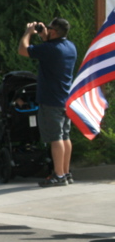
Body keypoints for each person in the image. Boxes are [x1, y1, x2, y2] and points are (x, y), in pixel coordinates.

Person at [19, 17, 77, 186]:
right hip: (65, 98)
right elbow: (49, 51)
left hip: (50, 99)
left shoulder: (51, 49)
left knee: (55, 137)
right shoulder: (70, 47)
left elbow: (23, 50)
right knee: (65, 136)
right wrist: (45, 38)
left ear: (54, 31)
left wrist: (28, 32)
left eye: (49, 28)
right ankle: (65, 173)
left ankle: (58, 175)